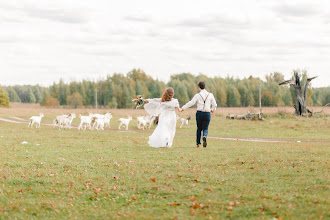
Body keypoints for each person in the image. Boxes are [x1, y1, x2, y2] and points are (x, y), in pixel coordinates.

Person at [180, 81, 217, 148]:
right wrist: (213, 110)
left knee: (199, 128)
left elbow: (191, 102)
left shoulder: (198, 95)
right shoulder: (210, 94)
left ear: (199, 87)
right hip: (207, 113)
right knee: (205, 128)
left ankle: (198, 143)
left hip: (199, 113)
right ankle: (205, 136)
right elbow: (215, 104)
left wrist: (183, 108)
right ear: (205, 86)